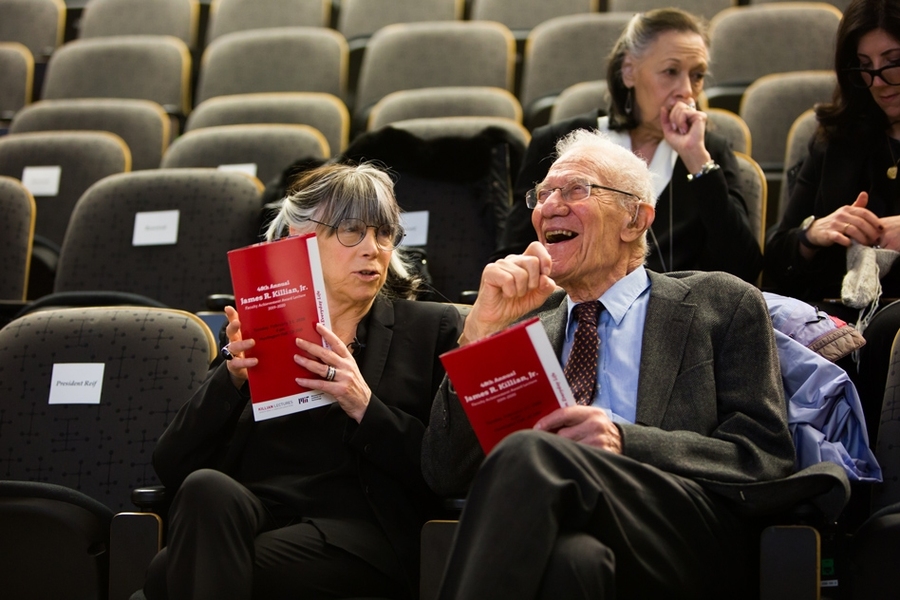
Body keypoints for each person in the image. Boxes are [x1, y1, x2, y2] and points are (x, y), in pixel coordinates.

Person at [421, 129, 840, 599]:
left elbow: (763, 457)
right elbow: (445, 471)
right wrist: (480, 334)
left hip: (687, 528)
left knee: (530, 452)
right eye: (542, 195)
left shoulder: (719, 301)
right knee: (571, 562)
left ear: (635, 220)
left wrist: (624, 440)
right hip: (558, 521)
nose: (550, 206)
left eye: (576, 190)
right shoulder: (528, 326)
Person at [142, 162, 465, 600]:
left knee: (171, 574)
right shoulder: (257, 331)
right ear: (301, 240)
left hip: (363, 538)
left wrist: (362, 402)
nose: (373, 248)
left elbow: (441, 472)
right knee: (206, 488)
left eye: (383, 233)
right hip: (258, 520)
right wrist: (232, 378)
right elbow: (172, 463)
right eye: (351, 231)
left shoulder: (432, 329)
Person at [499, 8, 762, 283]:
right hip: (571, 312)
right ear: (629, 72)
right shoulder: (558, 143)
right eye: (670, 71)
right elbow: (511, 255)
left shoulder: (708, 154)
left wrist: (697, 160)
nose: (686, 89)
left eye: (697, 76)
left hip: (673, 318)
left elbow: (743, 269)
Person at [766, 0, 900, 313]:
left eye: (893, 62)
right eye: (864, 66)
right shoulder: (837, 138)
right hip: (836, 322)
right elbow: (775, 259)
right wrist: (812, 235)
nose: (877, 83)